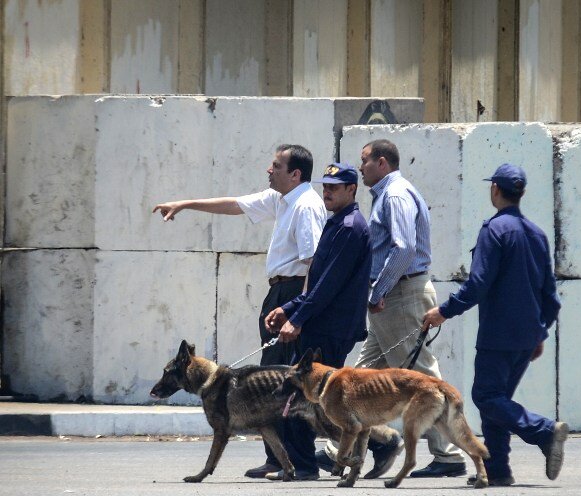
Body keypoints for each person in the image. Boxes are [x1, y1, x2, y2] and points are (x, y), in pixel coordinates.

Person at [152, 144, 326, 479]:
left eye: (275, 166)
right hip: (279, 291)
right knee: (269, 381)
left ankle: (303, 462)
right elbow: (236, 204)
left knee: (286, 383)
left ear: (295, 174)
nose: (268, 170)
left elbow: (313, 264)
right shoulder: (282, 198)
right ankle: (278, 459)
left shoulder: (305, 205)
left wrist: (299, 312)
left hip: (293, 292)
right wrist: (185, 204)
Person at [321, 139, 467, 479]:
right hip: (392, 296)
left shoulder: (396, 195)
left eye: (365, 161)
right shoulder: (388, 194)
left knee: (424, 379)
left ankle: (449, 453)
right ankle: (350, 448)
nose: (361, 168)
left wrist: (378, 290)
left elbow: (403, 249)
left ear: (382, 163)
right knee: (360, 377)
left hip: (400, 295)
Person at [421, 163, 568, 487]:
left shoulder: (494, 231)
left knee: (486, 397)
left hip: (498, 335)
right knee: (497, 401)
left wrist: (443, 312)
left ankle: (544, 431)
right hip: (527, 336)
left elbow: (478, 284)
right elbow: (550, 295)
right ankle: (498, 470)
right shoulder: (537, 234)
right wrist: (539, 332)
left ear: (495, 190)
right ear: (522, 193)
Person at [260, 163, 401, 481]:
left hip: (330, 328)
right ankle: (380, 442)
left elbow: (328, 286)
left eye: (335, 187)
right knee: (315, 400)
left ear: (352, 190)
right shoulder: (337, 223)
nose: (328, 191)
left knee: (301, 398)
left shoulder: (350, 227)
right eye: (325, 186)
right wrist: (289, 308)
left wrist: (296, 318)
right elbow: (318, 280)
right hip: (323, 323)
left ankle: (306, 466)